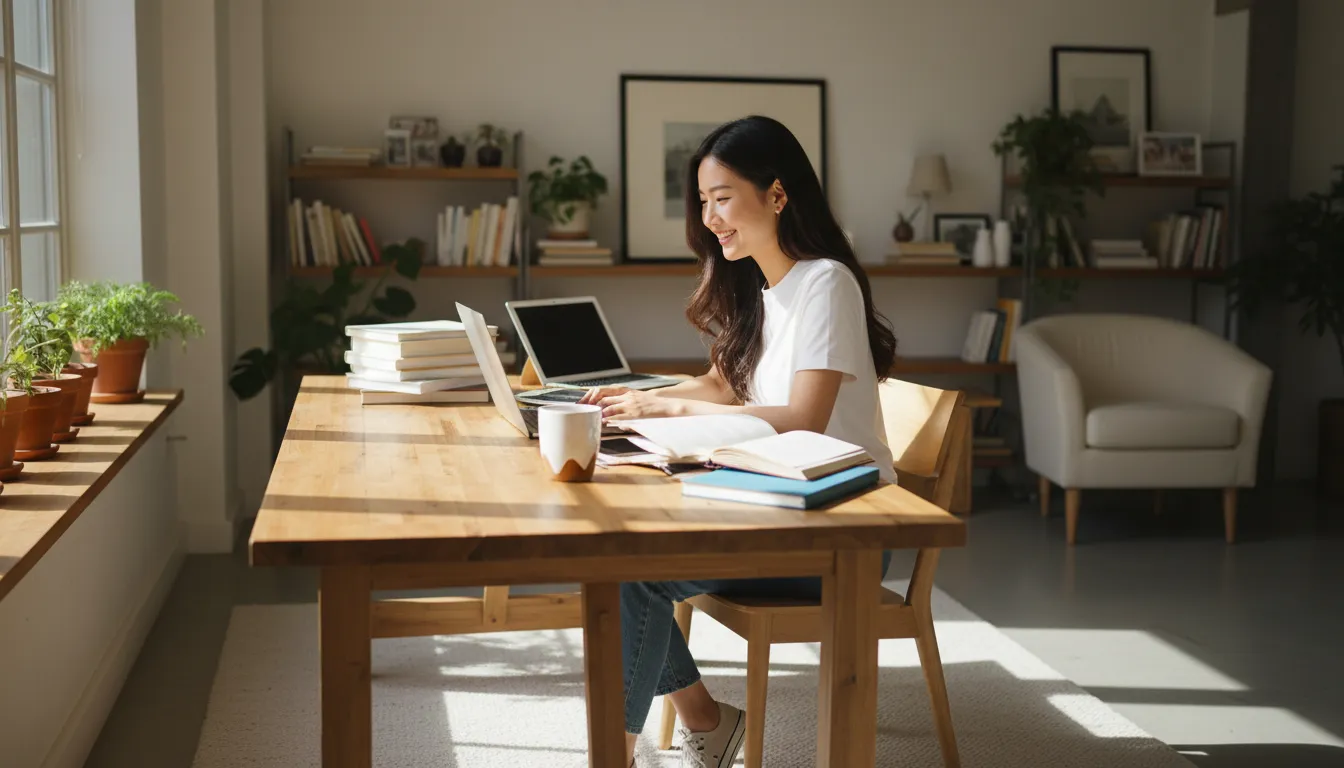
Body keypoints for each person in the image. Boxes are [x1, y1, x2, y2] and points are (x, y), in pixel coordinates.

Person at [577, 115, 898, 767]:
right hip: (776, 503)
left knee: (632, 575)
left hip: (842, 527)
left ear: (777, 195)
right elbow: (722, 385)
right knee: (615, 561)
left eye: (722, 198)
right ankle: (707, 722)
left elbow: (805, 417)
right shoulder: (762, 286)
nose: (710, 218)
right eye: (703, 201)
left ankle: (624, 752)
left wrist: (665, 410)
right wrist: (639, 399)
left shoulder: (826, 282)